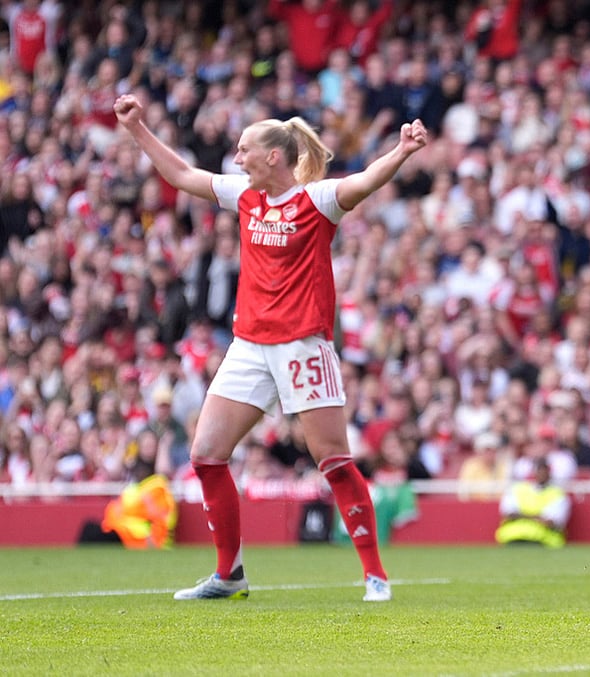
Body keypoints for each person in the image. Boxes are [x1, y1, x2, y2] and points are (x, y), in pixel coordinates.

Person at [113, 92, 428, 601]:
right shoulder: (243, 196)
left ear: (274, 157)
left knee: (333, 459)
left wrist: (402, 152)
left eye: (244, 150)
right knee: (207, 455)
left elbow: (365, 182)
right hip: (249, 345)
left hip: (303, 346)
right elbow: (182, 176)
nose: (237, 159)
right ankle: (229, 575)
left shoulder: (316, 200)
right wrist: (137, 130)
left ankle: (375, 575)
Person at [495, 457, 571, 548]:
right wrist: (537, 517)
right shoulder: (517, 489)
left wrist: (521, 515)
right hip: (513, 538)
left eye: (544, 470)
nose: (541, 473)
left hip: (543, 541)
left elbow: (550, 522)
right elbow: (508, 514)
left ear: (549, 473)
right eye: (539, 470)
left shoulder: (557, 494)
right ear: (533, 472)